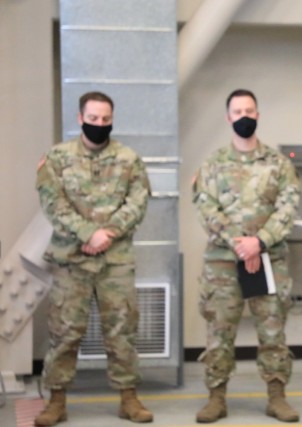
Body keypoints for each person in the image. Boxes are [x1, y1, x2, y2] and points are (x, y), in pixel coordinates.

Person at [35, 91, 153, 425]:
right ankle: (56, 401)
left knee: (122, 330)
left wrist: (108, 233)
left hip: (115, 260)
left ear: (112, 119)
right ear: (80, 118)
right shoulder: (57, 158)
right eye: (93, 118)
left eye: (105, 119)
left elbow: (138, 201)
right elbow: (52, 203)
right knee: (64, 331)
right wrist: (89, 233)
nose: (99, 125)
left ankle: (128, 399)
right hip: (72, 260)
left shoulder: (129, 159)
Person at [192, 89, 301, 423]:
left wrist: (259, 242)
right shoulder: (213, 164)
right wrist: (240, 244)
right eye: (237, 111)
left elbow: (288, 206)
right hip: (223, 262)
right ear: (228, 117)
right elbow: (205, 206)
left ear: (257, 115)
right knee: (219, 333)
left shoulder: (278, 164)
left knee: (273, 331)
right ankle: (216, 397)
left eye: (249, 111)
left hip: (268, 260)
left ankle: (277, 395)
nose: (243, 116)